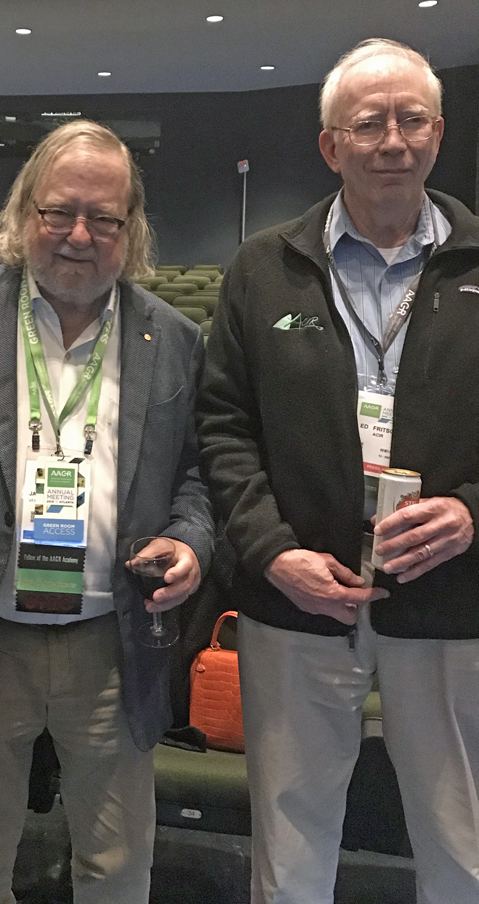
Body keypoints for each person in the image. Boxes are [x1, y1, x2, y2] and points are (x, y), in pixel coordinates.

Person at [197, 38, 479, 904]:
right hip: (298, 600)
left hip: (453, 596)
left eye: (412, 119)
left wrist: (472, 512)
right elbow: (224, 426)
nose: (393, 140)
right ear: (331, 145)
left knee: (462, 844)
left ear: (438, 131)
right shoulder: (263, 268)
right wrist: (271, 550)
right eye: (369, 123)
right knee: (290, 843)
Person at [0, 119, 214, 904]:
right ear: (23, 216)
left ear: (131, 228)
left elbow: (197, 474)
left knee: (116, 869)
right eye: (58, 212)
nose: (79, 235)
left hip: (112, 641)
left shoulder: (174, 337)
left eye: (104, 218)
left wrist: (190, 541)